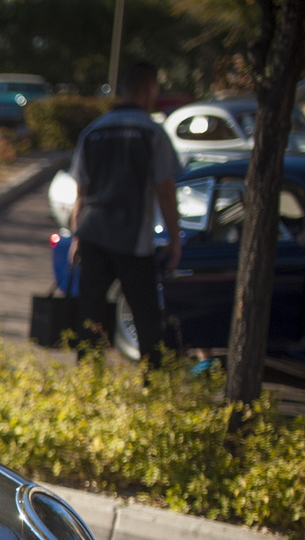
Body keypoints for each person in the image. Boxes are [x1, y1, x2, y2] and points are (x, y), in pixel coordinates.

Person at [69, 60, 181, 369]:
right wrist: (175, 238)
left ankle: (88, 380)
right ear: (149, 89)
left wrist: (77, 236)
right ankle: (152, 383)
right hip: (133, 240)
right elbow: (165, 190)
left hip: (93, 234)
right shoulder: (152, 133)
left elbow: (80, 192)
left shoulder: (93, 131)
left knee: (89, 312)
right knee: (146, 315)